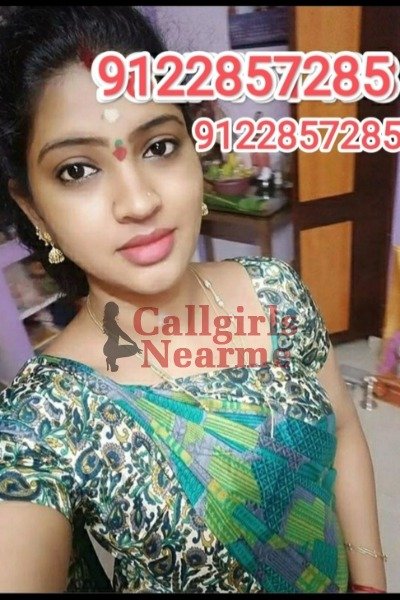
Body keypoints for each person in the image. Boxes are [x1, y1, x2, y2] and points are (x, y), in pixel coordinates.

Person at [0, 6, 387, 594]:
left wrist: (370, 580)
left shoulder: (276, 291)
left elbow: (345, 429)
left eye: (159, 145)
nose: (139, 202)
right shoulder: (43, 417)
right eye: (77, 170)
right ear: (32, 208)